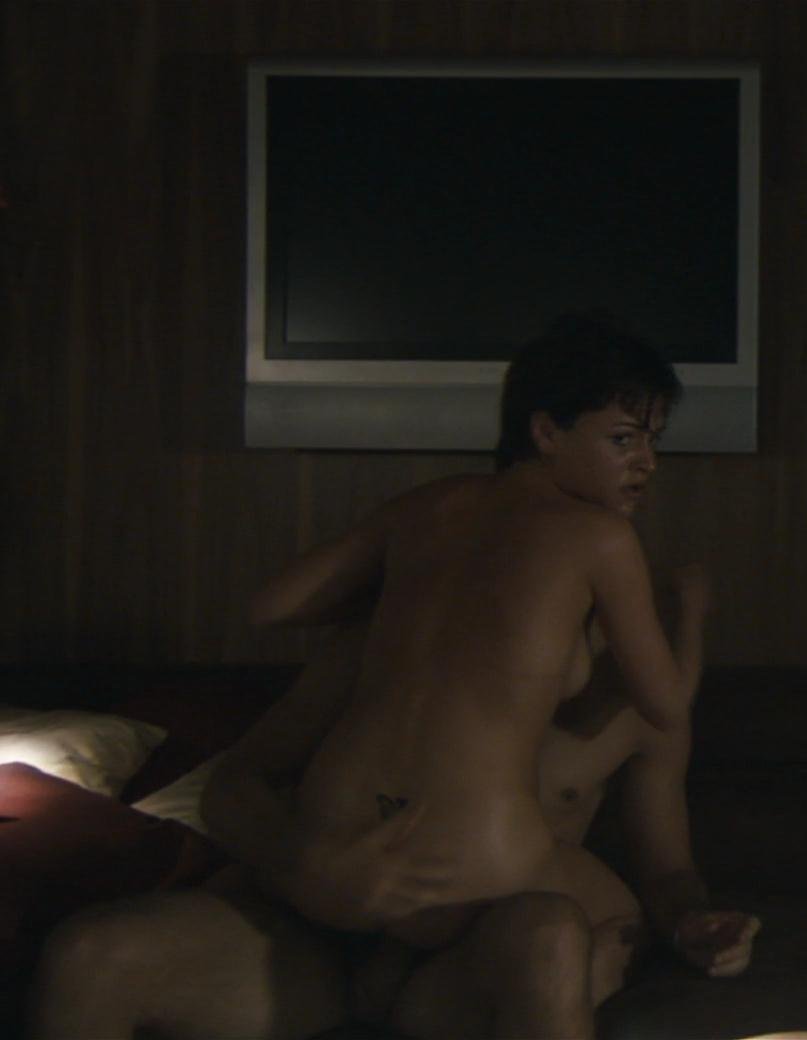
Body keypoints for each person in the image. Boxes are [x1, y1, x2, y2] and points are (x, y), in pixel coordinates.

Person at [29, 314, 758, 1038]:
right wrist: (303, 861)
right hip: (324, 929)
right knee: (87, 956)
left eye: (653, 442)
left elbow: (669, 869)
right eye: (625, 440)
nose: (647, 463)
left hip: (480, 945)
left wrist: (692, 922)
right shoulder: (394, 635)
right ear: (546, 433)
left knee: (551, 940)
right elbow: (236, 784)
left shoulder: (607, 655)